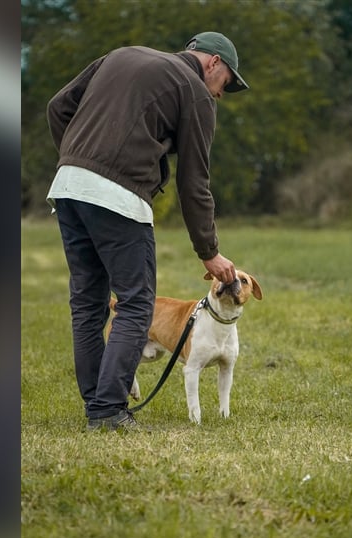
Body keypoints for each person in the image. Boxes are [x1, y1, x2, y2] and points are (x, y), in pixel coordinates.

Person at [46, 32, 249, 431]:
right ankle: (107, 412)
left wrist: (76, 160)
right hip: (118, 196)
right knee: (137, 302)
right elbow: (195, 182)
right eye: (226, 83)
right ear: (214, 64)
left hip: (67, 186)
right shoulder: (195, 92)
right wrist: (209, 251)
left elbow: (57, 108)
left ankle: (98, 406)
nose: (221, 94)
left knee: (89, 304)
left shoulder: (120, 54)